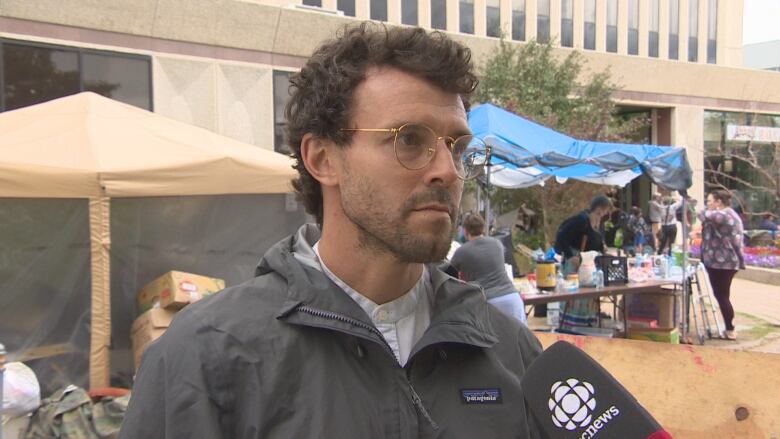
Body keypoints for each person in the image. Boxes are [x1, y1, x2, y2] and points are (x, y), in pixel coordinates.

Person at [119, 23, 543, 438]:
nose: (447, 172)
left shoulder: (509, 351)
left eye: (457, 147)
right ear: (322, 159)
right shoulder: (204, 357)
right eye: (410, 139)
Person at [450, 213, 527, 324]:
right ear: (482, 228)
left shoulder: (462, 251)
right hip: (512, 299)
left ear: (465, 231)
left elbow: (449, 275)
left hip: (488, 303)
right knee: (520, 340)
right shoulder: (497, 244)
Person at [553, 195, 612, 328]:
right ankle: (570, 326)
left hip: (588, 265)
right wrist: (569, 256)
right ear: (596, 208)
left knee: (588, 295)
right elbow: (561, 236)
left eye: (603, 213)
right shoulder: (581, 220)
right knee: (574, 296)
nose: (601, 216)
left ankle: (586, 325)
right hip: (574, 263)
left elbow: (596, 242)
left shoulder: (599, 223)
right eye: (600, 212)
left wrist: (603, 250)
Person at [699, 190, 745, 341]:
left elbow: (703, 215)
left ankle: (730, 329)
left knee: (722, 296)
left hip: (724, 263)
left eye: (710, 201)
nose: (707, 204)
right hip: (721, 262)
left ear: (718, 202)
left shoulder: (725, 215)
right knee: (721, 295)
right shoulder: (727, 214)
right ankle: (729, 327)